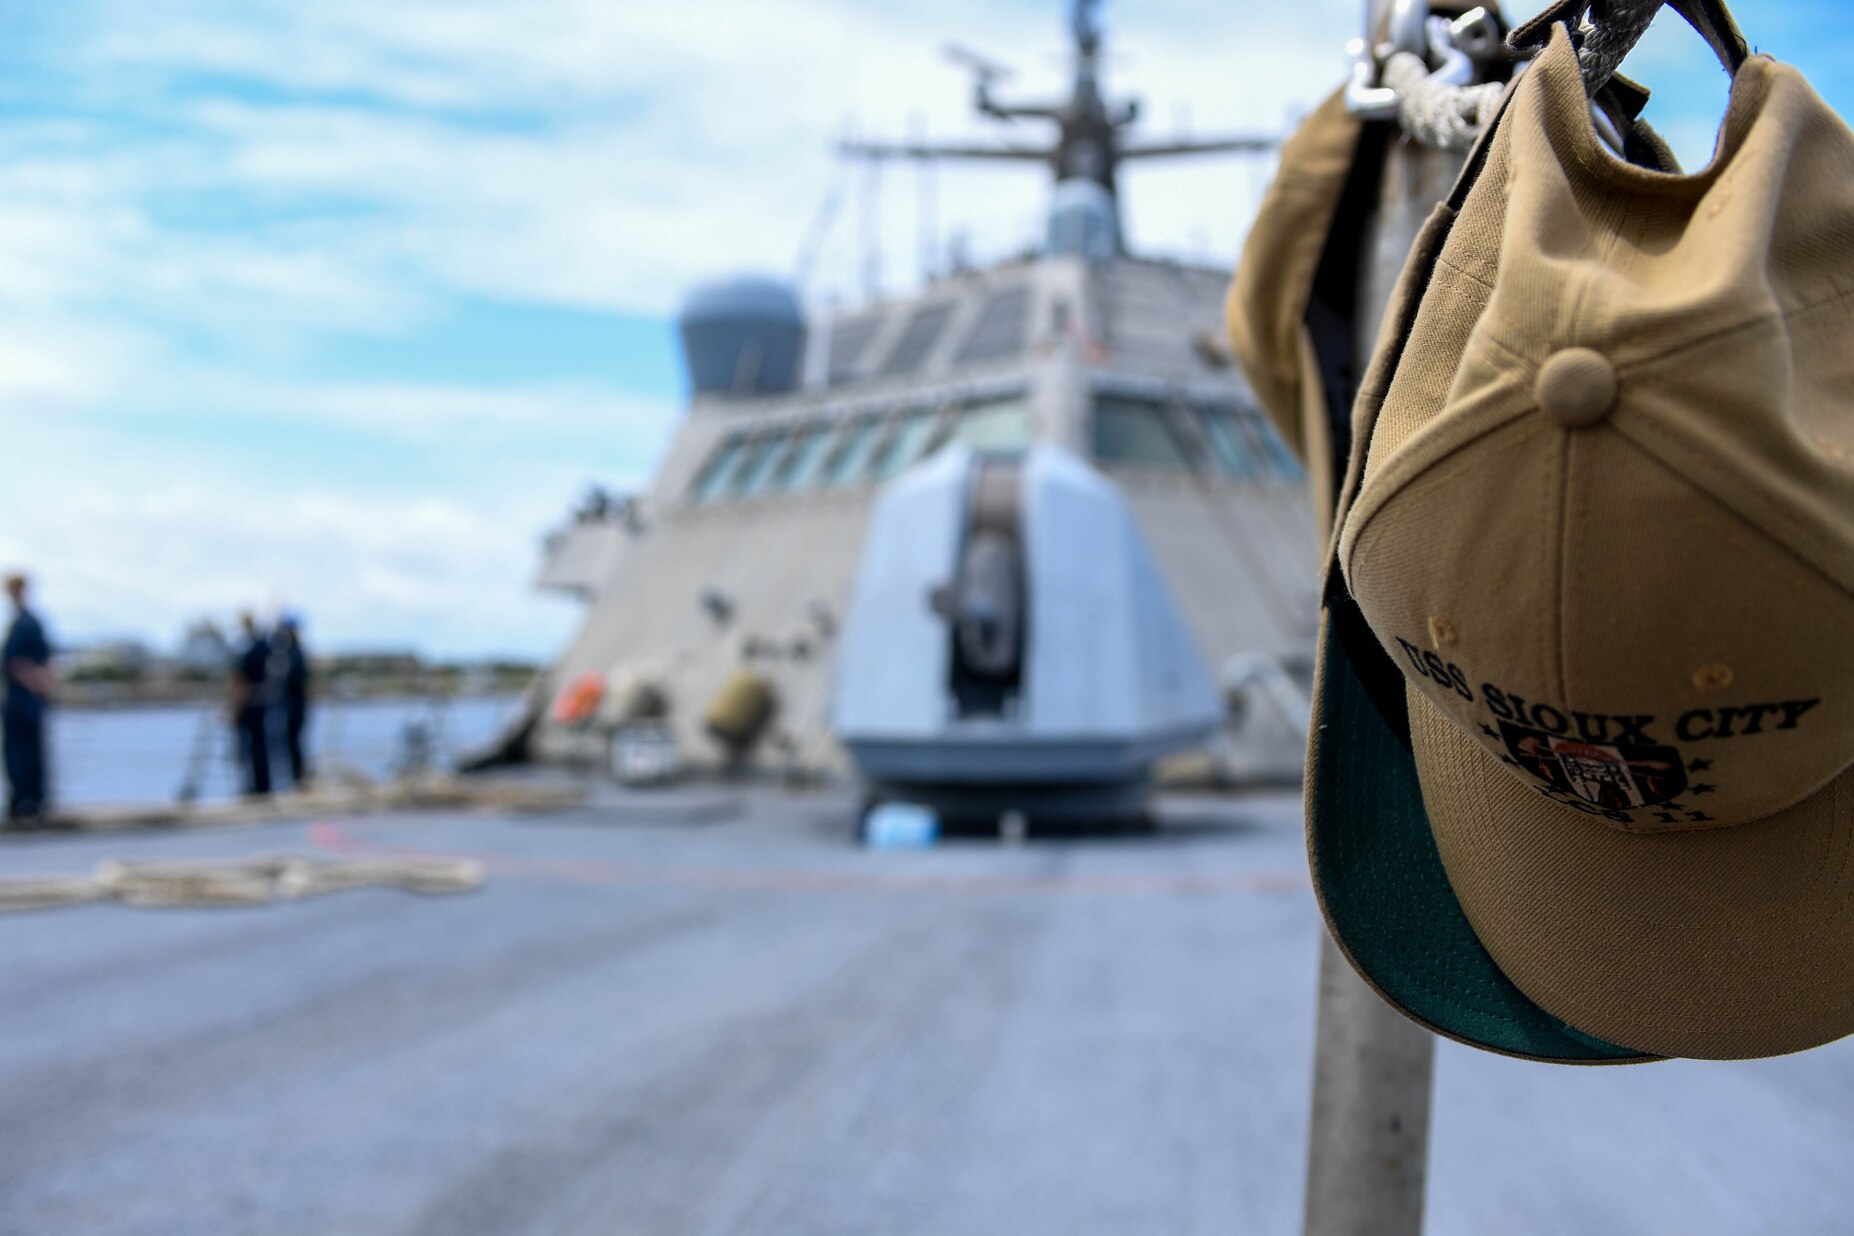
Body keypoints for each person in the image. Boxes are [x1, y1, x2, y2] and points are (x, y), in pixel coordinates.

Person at [2, 573, 54, 824]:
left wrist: (36, 684)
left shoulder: (23, 624)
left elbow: (18, 664)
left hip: (22, 699)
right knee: (29, 751)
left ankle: (25, 801)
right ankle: (32, 800)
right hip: (29, 699)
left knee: (20, 752)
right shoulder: (30, 622)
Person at [228, 612, 272, 796]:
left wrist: (235, 710)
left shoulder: (248, 651)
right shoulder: (263, 648)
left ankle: (256, 787)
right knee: (259, 747)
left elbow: (241, 681)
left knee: (250, 749)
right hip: (261, 703)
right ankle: (261, 786)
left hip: (249, 705)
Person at [271, 614, 311, 787]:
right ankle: (297, 779)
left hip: (294, 706)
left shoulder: (295, 654)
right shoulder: (292, 652)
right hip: (292, 706)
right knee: (291, 744)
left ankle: (299, 780)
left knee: (294, 744)